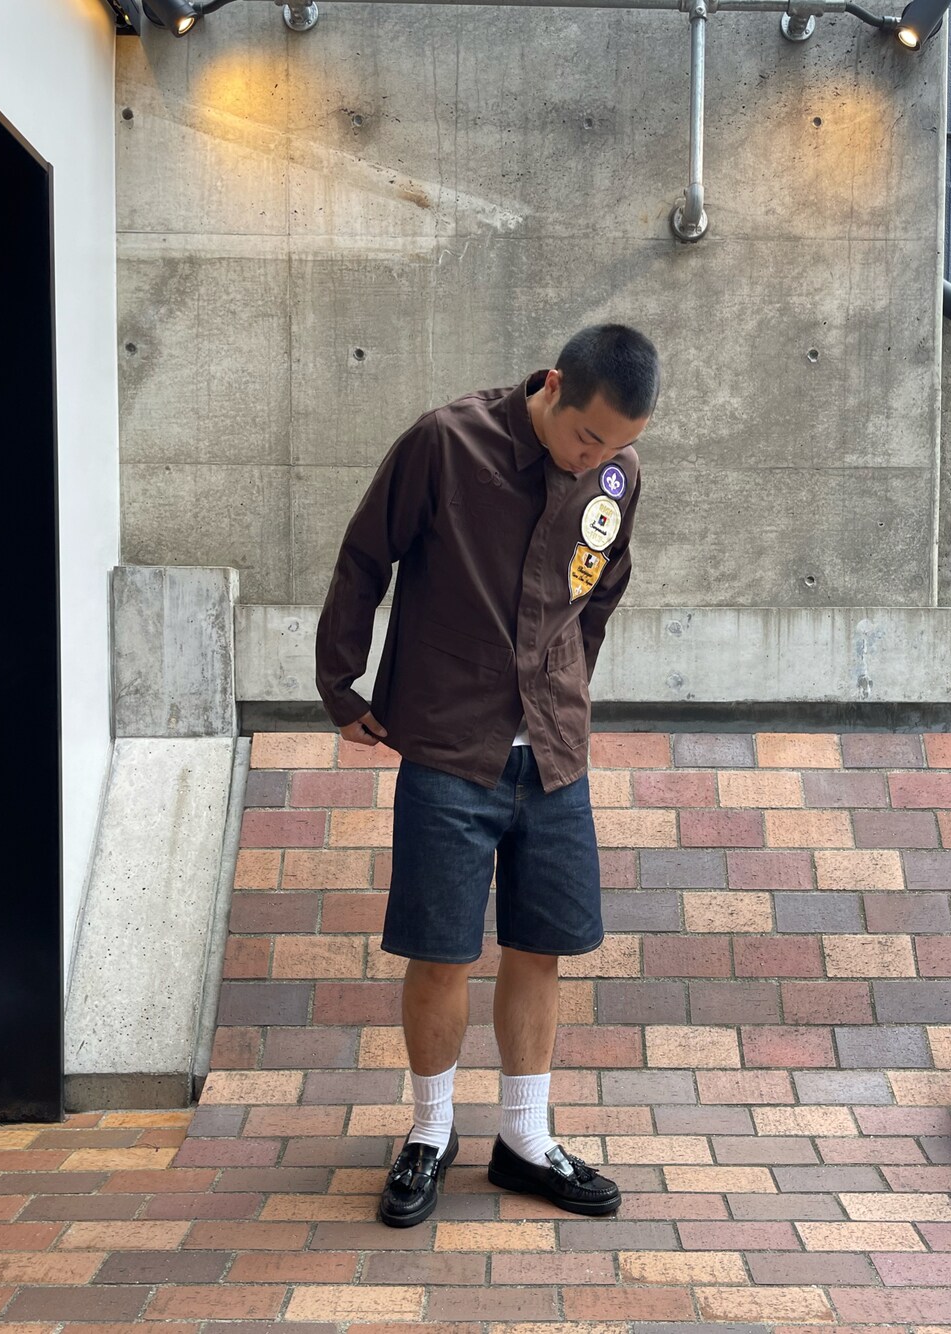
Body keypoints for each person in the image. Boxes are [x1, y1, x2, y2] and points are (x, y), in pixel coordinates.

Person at [315, 324, 660, 1227]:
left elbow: (602, 587)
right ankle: (431, 1133)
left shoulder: (616, 475)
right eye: (588, 437)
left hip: (553, 753)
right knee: (440, 953)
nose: (597, 458)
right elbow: (366, 555)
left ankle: (524, 1140)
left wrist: (565, 684)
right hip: (449, 744)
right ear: (553, 386)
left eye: (618, 447)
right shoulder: (447, 442)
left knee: (541, 948)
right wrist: (340, 684)